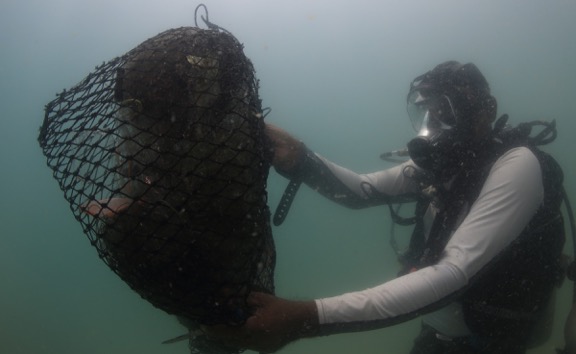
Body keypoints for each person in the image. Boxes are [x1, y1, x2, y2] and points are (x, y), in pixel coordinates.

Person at [203, 61, 566, 353]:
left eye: (445, 112)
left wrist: (307, 317)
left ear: (486, 111)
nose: (430, 127)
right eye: (423, 113)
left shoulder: (517, 165)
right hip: (437, 336)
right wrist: (300, 158)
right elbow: (363, 191)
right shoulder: (439, 168)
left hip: (493, 343)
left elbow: (456, 272)